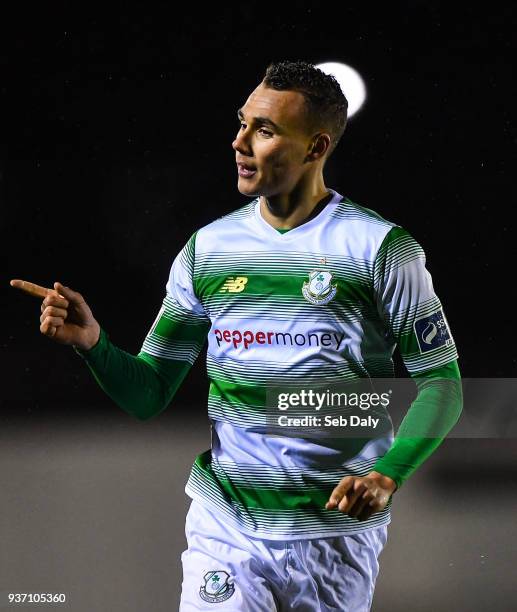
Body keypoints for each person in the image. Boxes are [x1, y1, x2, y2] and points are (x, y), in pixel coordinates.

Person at [12, 60, 463, 611]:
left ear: (316, 147)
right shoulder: (208, 250)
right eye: (242, 123)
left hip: (332, 537)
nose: (239, 142)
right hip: (227, 523)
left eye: (265, 130)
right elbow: (149, 392)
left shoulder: (381, 250)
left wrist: (387, 476)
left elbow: (443, 386)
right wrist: (95, 347)